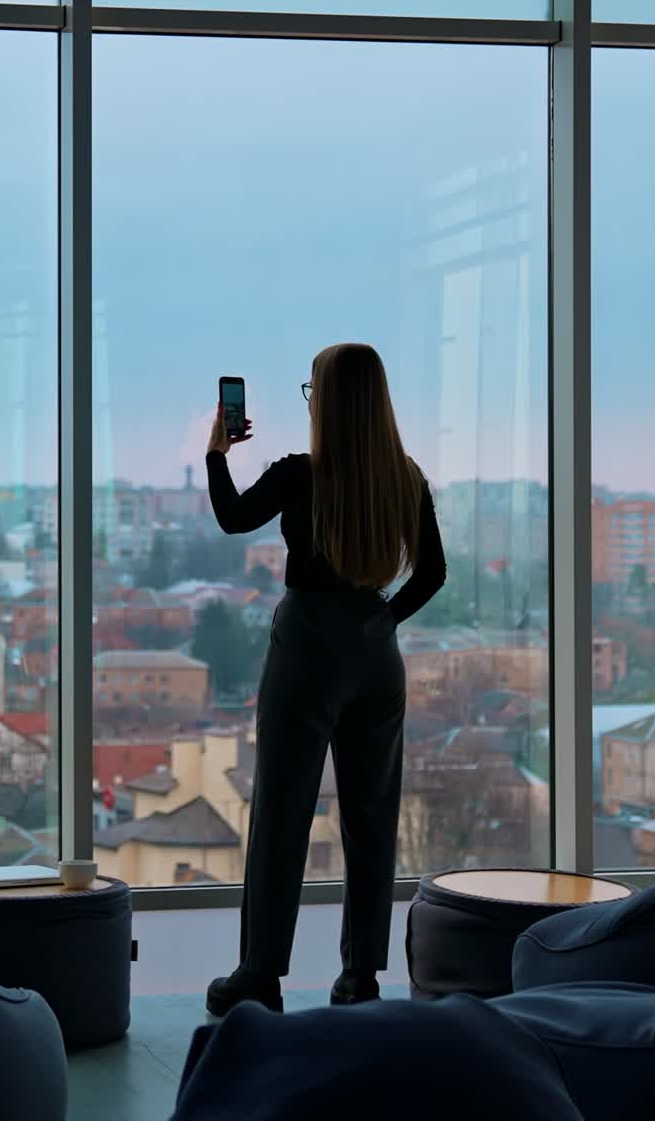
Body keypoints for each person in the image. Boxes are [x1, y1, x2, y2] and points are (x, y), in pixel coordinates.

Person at [203, 342, 446, 1017]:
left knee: (283, 809)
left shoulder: (299, 474)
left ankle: (260, 975)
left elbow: (231, 517)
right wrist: (379, 622)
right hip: (375, 649)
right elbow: (432, 574)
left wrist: (218, 451)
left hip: (308, 643)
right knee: (371, 816)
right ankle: (361, 976)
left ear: (327, 402)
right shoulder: (405, 477)